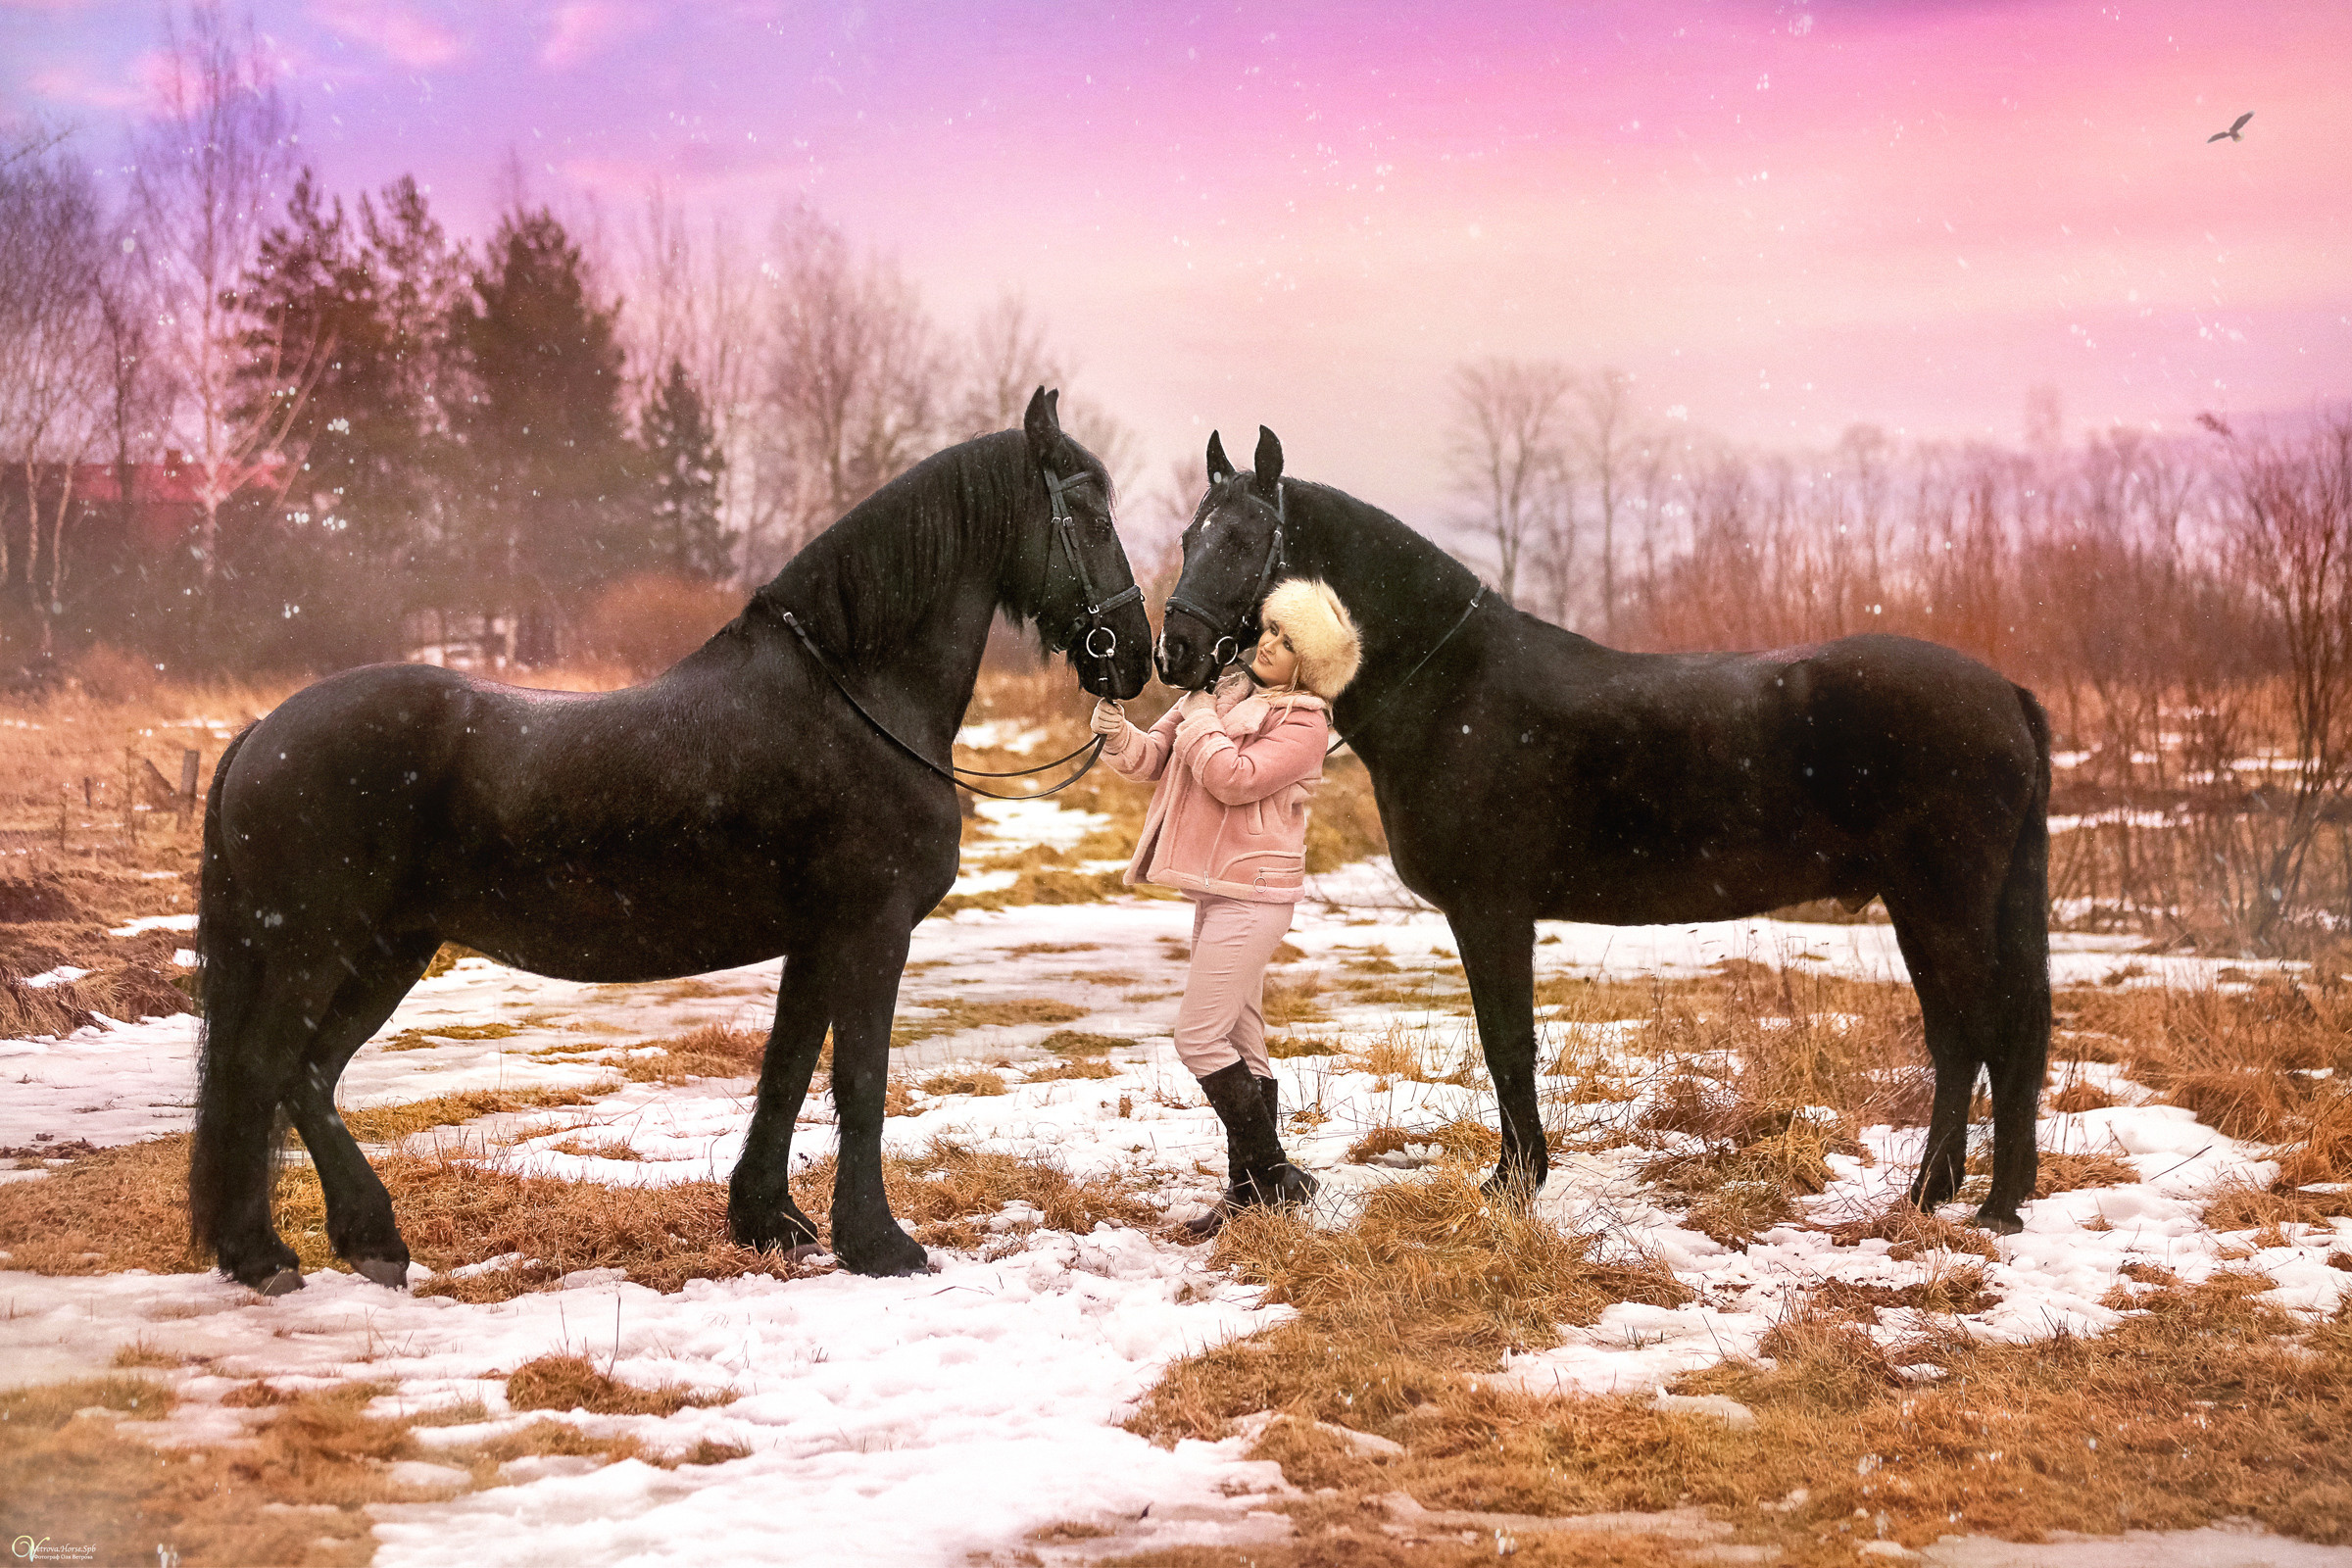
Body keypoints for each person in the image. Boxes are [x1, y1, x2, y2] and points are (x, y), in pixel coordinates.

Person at [1089, 579, 1361, 1240]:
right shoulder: (1227, 690)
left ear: (1309, 665)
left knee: (1198, 1037)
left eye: (1288, 642)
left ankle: (1273, 1173)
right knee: (1241, 1039)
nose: (1269, 644)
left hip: (1256, 893)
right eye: (1271, 629)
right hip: (1220, 890)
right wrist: (1119, 735)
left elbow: (1233, 778)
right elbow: (1155, 759)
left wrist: (1200, 715)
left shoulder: (1305, 723)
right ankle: (1252, 1193)